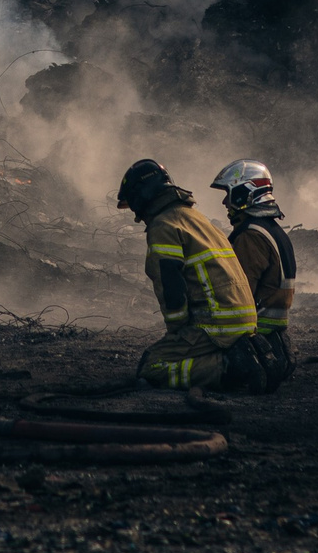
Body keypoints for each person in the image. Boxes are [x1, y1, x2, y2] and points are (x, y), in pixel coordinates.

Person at [114, 157, 262, 391]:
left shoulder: (163, 226)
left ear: (142, 196)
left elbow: (171, 287)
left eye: (133, 205)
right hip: (243, 322)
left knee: (152, 366)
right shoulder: (197, 218)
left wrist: (177, 334)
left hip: (215, 325)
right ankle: (237, 357)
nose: (136, 215)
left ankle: (229, 369)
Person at [210, 158, 296, 391]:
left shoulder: (250, 236)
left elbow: (238, 291)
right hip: (272, 333)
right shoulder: (273, 230)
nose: (225, 201)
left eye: (229, 193)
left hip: (253, 333)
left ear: (244, 193)